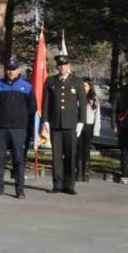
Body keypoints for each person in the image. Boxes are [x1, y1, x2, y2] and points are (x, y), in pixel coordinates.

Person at [0, 58, 36, 199]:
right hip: (1, 128)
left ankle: (20, 189)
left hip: (19, 129)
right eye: (8, 69)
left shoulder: (26, 86)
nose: (10, 72)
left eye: (13, 69)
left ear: (18, 70)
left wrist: (19, 116)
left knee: (19, 159)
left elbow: (33, 107)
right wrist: (3, 113)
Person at [42, 55, 86, 195]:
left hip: (71, 124)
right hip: (55, 124)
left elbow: (82, 104)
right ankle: (57, 184)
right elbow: (46, 103)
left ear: (69, 66)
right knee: (56, 156)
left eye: (64, 65)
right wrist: (45, 120)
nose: (62, 68)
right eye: (59, 65)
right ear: (57, 67)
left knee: (70, 155)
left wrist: (81, 122)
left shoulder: (77, 82)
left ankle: (69, 185)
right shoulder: (50, 81)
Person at [77, 77, 101, 182]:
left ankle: (86, 172)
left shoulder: (93, 98)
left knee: (86, 149)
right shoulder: (76, 96)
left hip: (89, 125)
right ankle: (78, 171)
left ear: (89, 87)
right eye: (82, 86)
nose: (84, 88)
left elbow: (97, 115)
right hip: (78, 125)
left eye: (85, 86)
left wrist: (96, 129)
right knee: (78, 149)